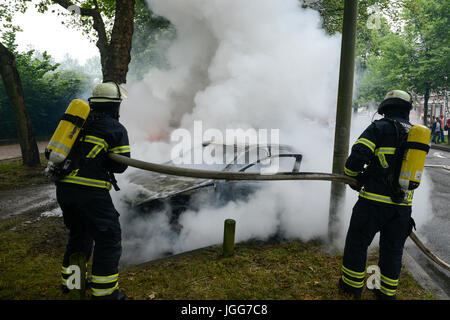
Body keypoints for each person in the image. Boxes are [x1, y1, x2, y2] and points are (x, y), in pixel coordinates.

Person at [339, 90, 416, 300]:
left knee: (357, 243)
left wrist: (354, 177)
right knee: (393, 250)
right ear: (407, 109)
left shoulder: (379, 128)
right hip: (402, 208)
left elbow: (356, 158)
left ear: (385, 108)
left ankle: (351, 287)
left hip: (372, 204)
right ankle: (386, 293)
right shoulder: (416, 134)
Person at [56, 82, 131, 300]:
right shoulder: (115, 128)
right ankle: (105, 293)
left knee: (80, 233)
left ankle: (71, 283)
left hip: (64, 188)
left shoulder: (77, 122)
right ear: (114, 105)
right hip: (91, 192)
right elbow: (120, 165)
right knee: (108, 236)